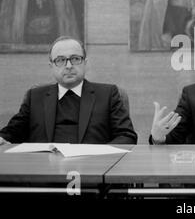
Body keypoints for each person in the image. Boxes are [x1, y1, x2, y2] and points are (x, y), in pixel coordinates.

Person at [0, 36, 137, 145]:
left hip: (93, 172)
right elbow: (12, 132)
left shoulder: (108, 94)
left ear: (85, 63)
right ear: (51, 66)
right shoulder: (35, 96)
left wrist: (99, 157)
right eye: (60, 60)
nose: (69, 66)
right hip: (44, 173)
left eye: (75, 59)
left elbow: (127, 136)